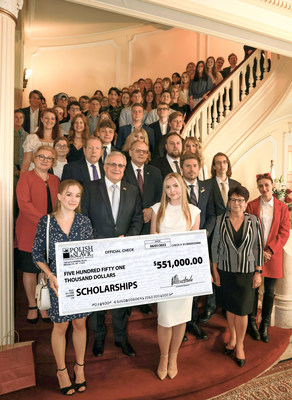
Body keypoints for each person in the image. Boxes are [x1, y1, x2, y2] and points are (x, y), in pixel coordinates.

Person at [32, 179, 93, 395]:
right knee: (60, 327)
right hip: (57, 284)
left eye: (77, 195)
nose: (73, 199)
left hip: (80, 284)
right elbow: (37, 255)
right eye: (68, 194)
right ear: (59, 197)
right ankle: (61, 371)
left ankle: (80, 367)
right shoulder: (46, 222)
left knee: (80, 324)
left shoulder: (84, 222)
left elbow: (91, 253)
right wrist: (49, 275)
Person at [82, 151, 143, 358]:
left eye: (121, 165)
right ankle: (98, 337)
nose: (117, 168)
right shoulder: (90, 188)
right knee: (98, 298)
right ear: (104, 166)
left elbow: (137, 219)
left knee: (122, 298)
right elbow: (84, 217)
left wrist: (128, 238)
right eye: (113, 165)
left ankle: (121, 338)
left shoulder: (133, 190)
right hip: (97, 253)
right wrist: (100, 242)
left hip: (124, 253)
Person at [151, 172, 201, 379]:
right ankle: (163, 357)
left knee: (181, 318)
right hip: (163, 271)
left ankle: (174, 356)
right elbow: (152, 238)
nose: (172, 190)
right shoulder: (157, 209)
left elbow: (194, 245)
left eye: (175, 186)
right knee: (164, 318)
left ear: (182, 187)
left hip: (184, 273)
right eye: (168, 187)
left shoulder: (193, 211)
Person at [212, 185, 264, 367]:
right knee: (230, 308)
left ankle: (240, 346)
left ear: (246, 202)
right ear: (229, 202)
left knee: (241, 310)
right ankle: (233, 338)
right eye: (233, 199)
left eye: (240, 200)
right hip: (225, 270)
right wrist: (215, 271)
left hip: (246, 272)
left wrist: (258, 272)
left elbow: (258, 247)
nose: (236, 203)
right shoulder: (220, 220)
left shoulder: (254, 221)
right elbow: (215, 247)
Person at [15, 145, 59, 324]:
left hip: (50, 232)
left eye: (49, 158)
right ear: (34, 158)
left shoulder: (56, 180)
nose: (44, 160)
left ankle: (43, 305)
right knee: (29, 270)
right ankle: (32, 305)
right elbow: (24, 204)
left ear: (53, 162)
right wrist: (44, 221)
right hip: (29, 230)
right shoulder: (25, 177)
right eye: (41, 156)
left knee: (44, 269)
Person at [246, 173, 290, 343]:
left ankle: (264, 324)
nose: (264, 189)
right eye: (260, 186)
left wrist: (270, 250)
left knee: (270, 292)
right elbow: (248, 230)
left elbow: (284, 232)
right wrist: (258, 251)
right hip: (254, 253)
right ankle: (252, 323)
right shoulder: (251, 205)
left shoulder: (282, 207)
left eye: (266, 185)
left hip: (273, 255)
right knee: (253, 289)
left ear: (272, 185)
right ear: (257, 187)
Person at [181, 154, 216, 340]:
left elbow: (211, 214)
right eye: (188, 166)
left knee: (195, 286)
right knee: (181, 283)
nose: (192, 169)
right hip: (181, 245)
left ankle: (192, 322)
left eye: (194, 165)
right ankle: (181, 323)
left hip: (201, 242)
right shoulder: (175, 186)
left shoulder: (206, 187)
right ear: (182, 168)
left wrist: (205, 233)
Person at [21, 108, 59, 173]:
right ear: (41, 119)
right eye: (46, 118)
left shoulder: (58, 140)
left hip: (54, 175)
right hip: (34, 174)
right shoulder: (32, 138)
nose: (49, 121)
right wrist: (22, 180)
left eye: (52, 119)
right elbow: (26, 162)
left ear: (55, 121)